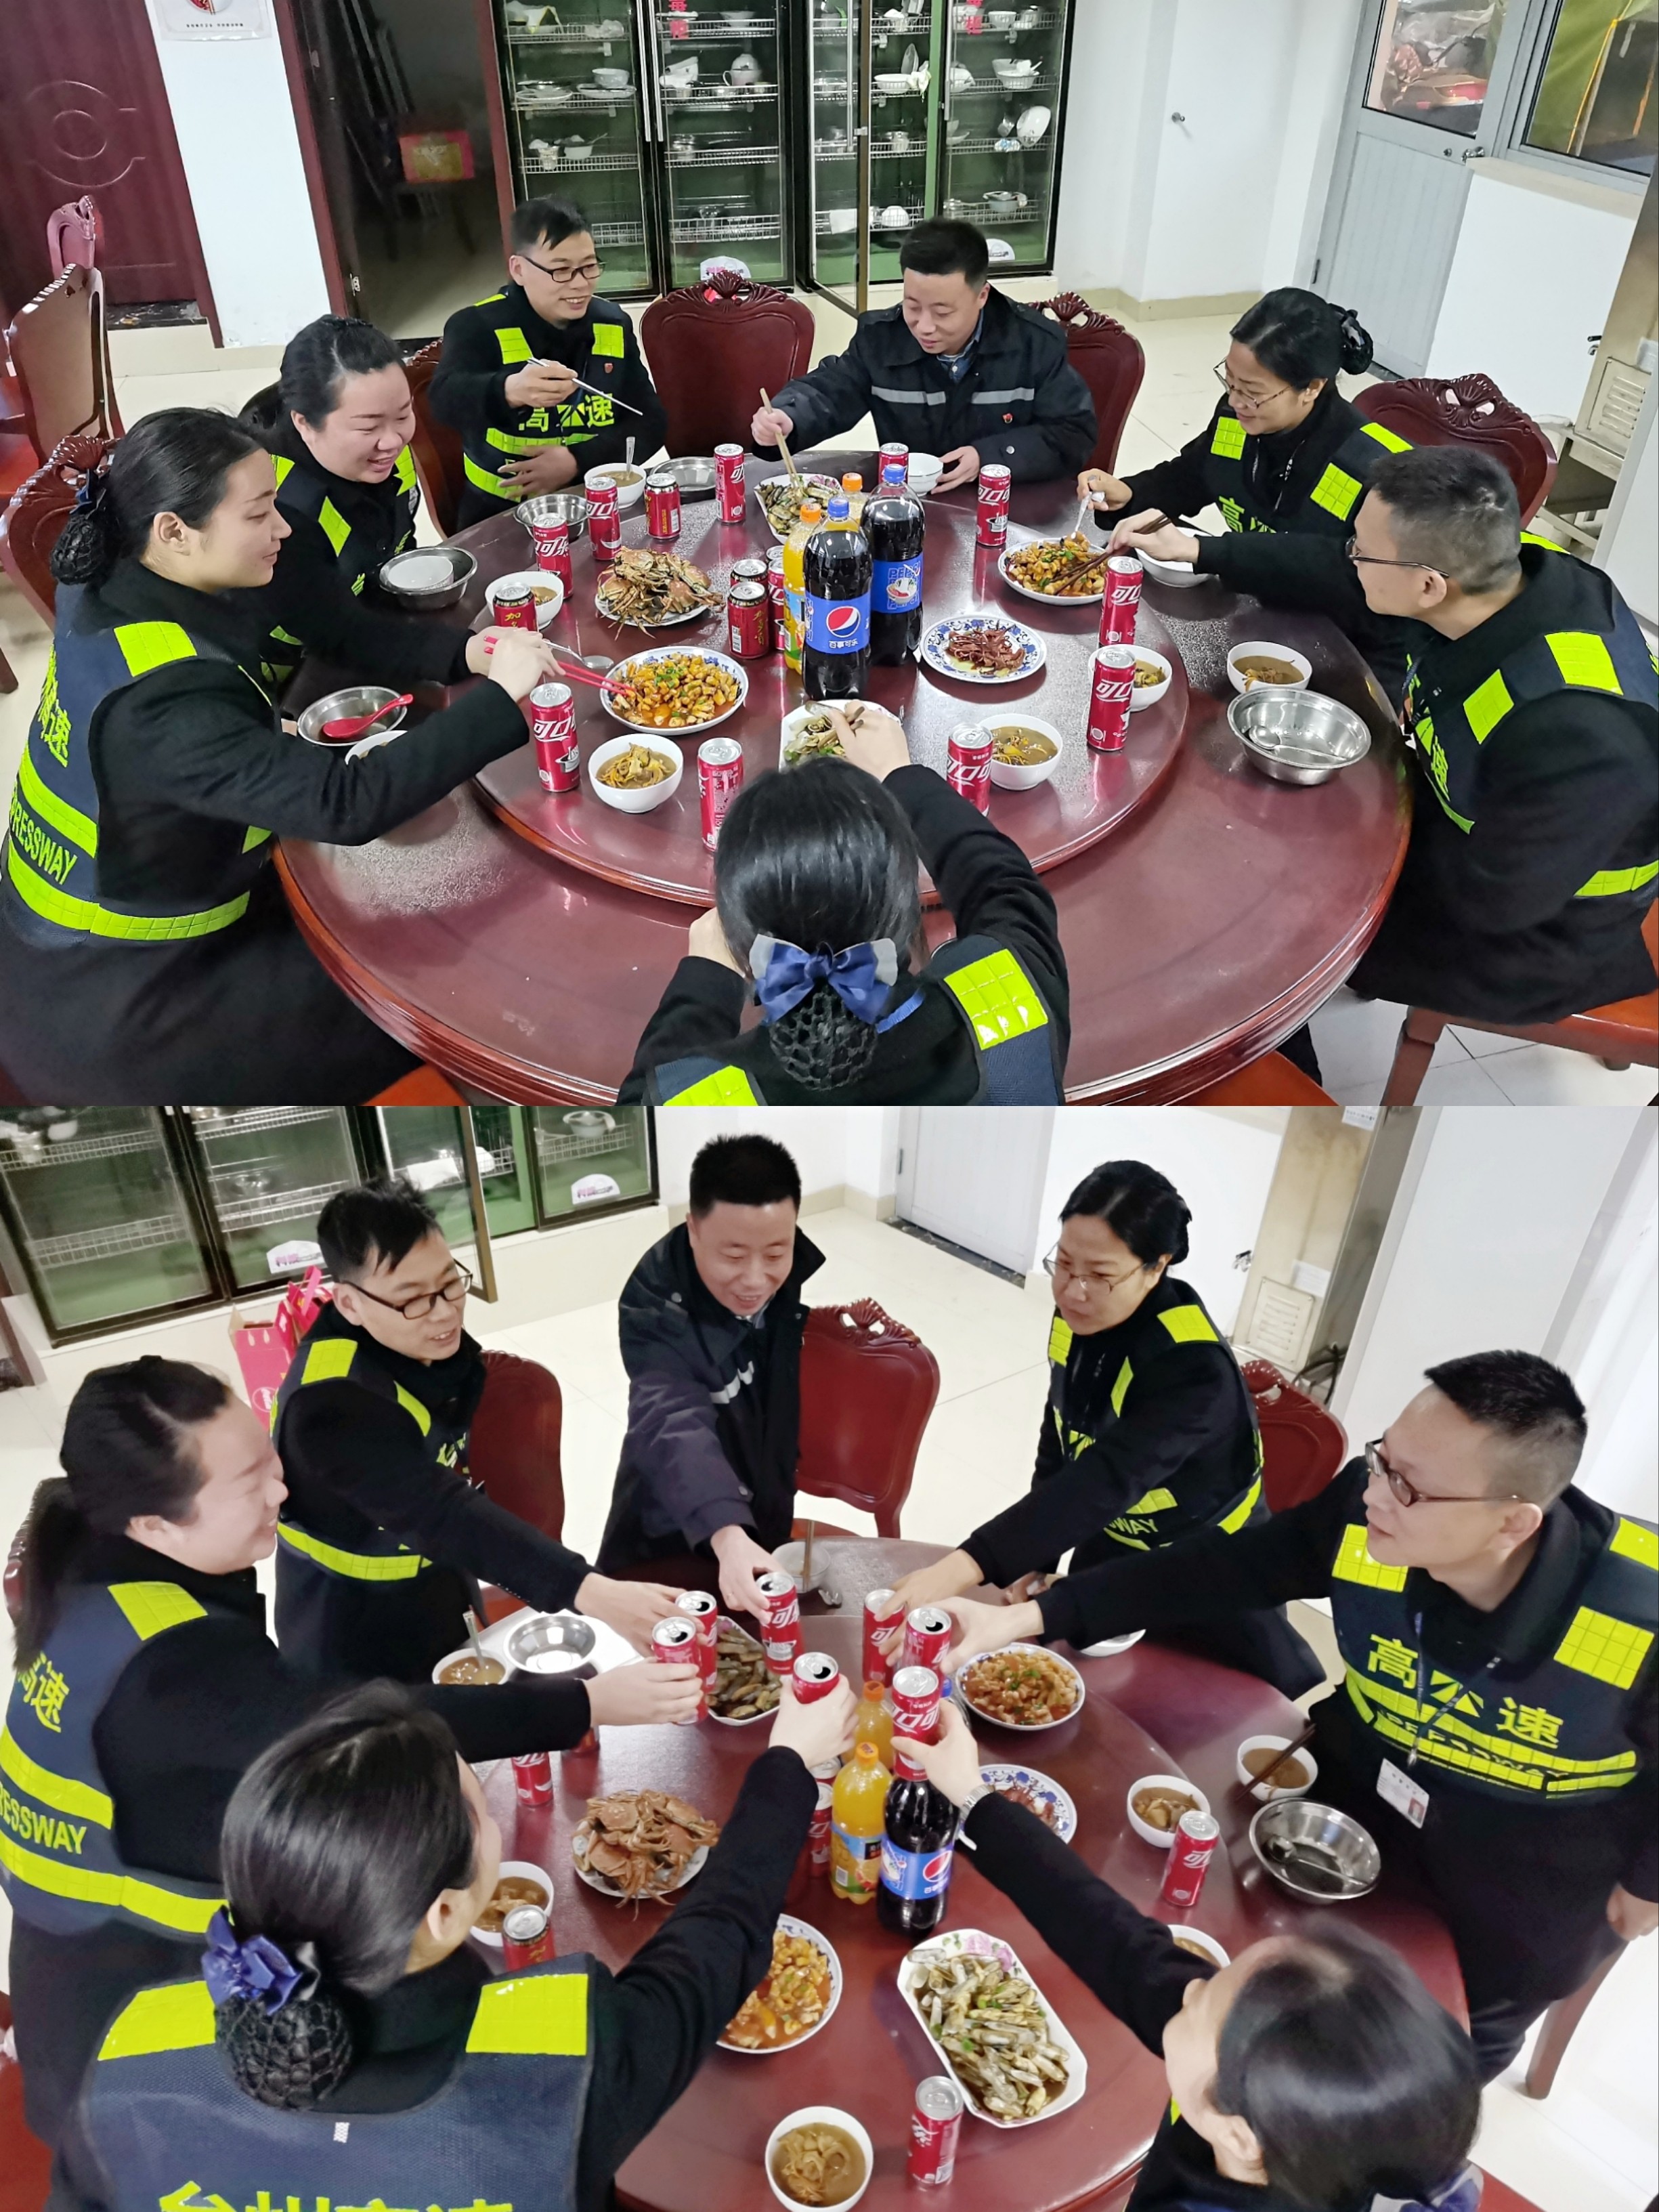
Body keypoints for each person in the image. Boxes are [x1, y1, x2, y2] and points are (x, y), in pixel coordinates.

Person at [1, 1359, 701, 2163]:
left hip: (114, 1920)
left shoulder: (98, 1549)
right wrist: (587, 1702)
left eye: (268, 1458)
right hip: (130, 2023)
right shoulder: (172, 1673)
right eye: (251, 1482)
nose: (282, 1489)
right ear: (157, 1524)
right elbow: (370, 1725)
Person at [938, 1350, 1659, 2079]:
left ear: (1511, 1523)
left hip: (1523, 1878)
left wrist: (1647, 1885)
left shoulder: (1638, 1608)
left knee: (1415, 2072)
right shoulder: (1364, 1513)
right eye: (1382, 1459)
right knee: (1260, 2003)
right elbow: (1222, 1568)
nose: (1374, 1494)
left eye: (1407, 1487)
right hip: (1348, 1812)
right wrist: (1030, 1616)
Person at [58, 1672, 855, 2211]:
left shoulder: (133, 2051)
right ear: (443, 1913)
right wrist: (787, 1763)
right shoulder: (560, 2063)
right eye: (480, 1807)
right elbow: (710, 1948)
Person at [0, 410, 561, 1103]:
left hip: (109, 910)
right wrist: (503, 694)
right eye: (258, 513)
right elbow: (346, 804)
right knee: (436, 988)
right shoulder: (164, 701)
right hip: (127, 1000)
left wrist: (458, 655)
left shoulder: (104, 574)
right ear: (173, 530)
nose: (284, 528)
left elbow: (325, 636)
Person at [897, 1703, 1482, 2212]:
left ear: (1238, 2135)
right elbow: (1108, 1935)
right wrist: (973, 1796)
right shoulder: (1270, 2089)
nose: (1188, 1986)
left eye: (1199, 2002)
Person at [888, 1160, 1320, 1696]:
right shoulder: (1080, 1315)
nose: (1073, 1291)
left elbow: (1106, 1478)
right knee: (1074, 1691)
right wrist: (1037, 1557)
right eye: (1064, 1265)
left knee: (1200, 1709)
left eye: (1099, 1275)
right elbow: (1062, 1435)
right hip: (1115, 1545)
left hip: (1207, 1567)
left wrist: (962, 1566)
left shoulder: (1193, 1368)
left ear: (1156, 1268)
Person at [274, 1176, 685, 1682]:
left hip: (438, 1583)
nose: (445, 1314)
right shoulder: (328, 1407)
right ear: (349, 1304)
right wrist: (593, 1592)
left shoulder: (412, 1335)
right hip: (353, 1630)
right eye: (413, 1300)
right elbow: (442, 1512)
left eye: (450, 1284)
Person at [1343, 446, 1658, 1024]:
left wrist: (1357, 855)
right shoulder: (1507, 571)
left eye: (1360, 551)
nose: (1351, 558)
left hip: (1542, 936)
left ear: (1429, 586)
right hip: (1479, 833)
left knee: (1298, 922)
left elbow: (1498, 901)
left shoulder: (1581, 740)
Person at [620, 704, 1069, 1105]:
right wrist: (900, 774)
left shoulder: (691, 1104)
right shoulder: (1017, 998)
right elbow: (1006, 886)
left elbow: (653, 1093)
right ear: (906, 908)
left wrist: (705, 984)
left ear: (742, 946)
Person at [1079, 289, 1410, 700]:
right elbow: (1196, 474)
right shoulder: (1238, 418)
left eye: (1252, 391)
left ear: (1311, 387)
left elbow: (1344, 572)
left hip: (1347, 653)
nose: (1235, 401)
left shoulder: (1368, 467)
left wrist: (1205, 551)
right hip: (1262, 621)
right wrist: (1130, 492)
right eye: (1230, 381)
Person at [597, 1135, 818, 1613]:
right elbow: (672, 1419)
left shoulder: (782, 1276)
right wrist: (726, 1531)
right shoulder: (655, 1304)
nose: (755, 1280)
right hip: (672, 1532)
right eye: (734, 1257)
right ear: (693, 1228)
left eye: (775, 1254)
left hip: (762, 1506)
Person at [237, 315, 498, 694]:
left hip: (368, 633)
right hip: (284, 680)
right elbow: (339, 633)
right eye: (368, 427)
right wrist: (464, 652)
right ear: (305, 423)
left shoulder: (384, 456)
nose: (392, 441)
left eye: (403, 415)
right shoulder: (277, 506)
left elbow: (398, 547)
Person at [750, 218, 1096, 492]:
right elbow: (832, 390)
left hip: (1005, 502)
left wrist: (990, 458)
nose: (924, 327)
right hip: (910, 501)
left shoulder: (1034, 343)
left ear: (982, 296)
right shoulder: (882, 339)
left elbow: (1072, 434)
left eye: (943, 312)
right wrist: (789, 417)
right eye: (913, 306)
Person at [430, 195, 667, 526]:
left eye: (589, 267)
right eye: (561, 270)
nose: (580, 284)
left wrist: (575, 461)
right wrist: (508, 390)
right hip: (499, 516)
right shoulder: (477, 325)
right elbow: (442, 401)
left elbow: (650, 421)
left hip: (595, 505)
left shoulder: (612, 323)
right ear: (519, 269)